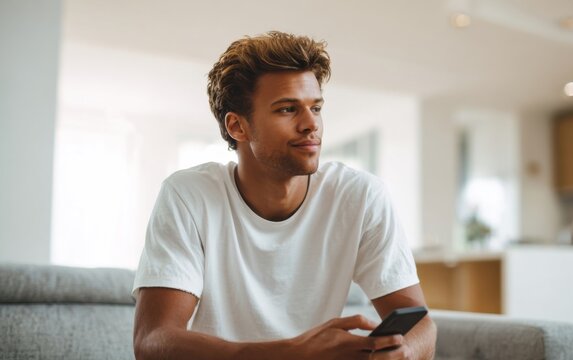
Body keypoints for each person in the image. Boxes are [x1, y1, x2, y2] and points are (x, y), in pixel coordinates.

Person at [132, 31, 437, 360]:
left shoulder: (360, 196)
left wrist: (402, 352)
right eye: (287, 109)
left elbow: (422, 325)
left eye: (316, 107)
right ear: (237, 127)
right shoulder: (189, 195)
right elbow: (153, 340)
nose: (311, 125)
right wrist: (292, 352)